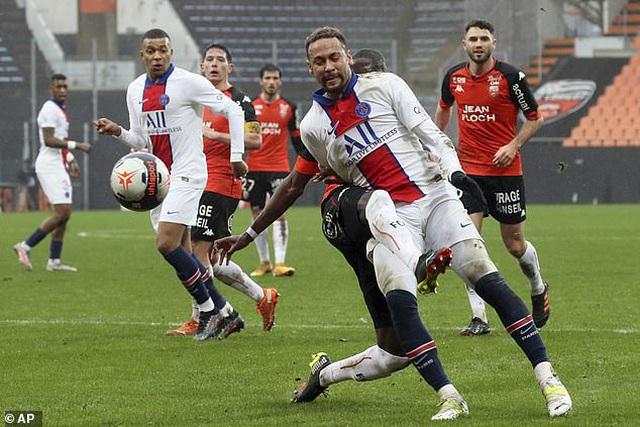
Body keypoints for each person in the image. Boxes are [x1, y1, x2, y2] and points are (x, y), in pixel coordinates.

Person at [214, 28, 572, 419]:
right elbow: (298, 183)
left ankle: (550, 380)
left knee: (486, 277)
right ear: (309, 67)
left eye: (334, 57)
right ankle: (449, 396)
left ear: (347, 56)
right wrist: (249, 234)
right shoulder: (315, 125)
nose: (329, 67)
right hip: (387, 219)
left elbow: (432, 135)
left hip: (435, 198)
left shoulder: (385, 85)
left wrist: (455, 176)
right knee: (400, 315)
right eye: (320, 61)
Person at [93, 28, 246, 342]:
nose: (157, 56)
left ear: (171, 52)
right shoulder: (135, 89)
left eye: (163, 50)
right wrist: (117, 131)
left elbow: (232, 109)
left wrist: (236, 155)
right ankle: (226, 312)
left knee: (166, 244)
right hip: (160, 182)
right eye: (151, 51)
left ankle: (208, 311)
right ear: (142, 55)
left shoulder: (188, 82)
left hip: (188, 174)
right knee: (186, 252)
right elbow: (140, 139)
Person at [434, 20, 550, 337]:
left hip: (505, 173)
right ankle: (479, 317)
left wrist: (514, 145)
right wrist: (436, 143)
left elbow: (536, 118)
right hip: (467, 172)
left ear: (493, 44)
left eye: (484, 38)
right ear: (464, 44)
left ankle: (538, 287)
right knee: (467, 245)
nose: (479, 43)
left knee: (514, 245)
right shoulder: (454, 77)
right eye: (473, 39)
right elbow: (443, 109)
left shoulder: (511, 77)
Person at [166, 43, 280, 338]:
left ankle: (203, 317)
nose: (214, 64)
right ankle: (262, 296)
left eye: (220, 60)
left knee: (198, 252)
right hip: (193, 182)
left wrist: (215, 134)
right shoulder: (195, 98)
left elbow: (255, 142)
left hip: (220, 182)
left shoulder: (239, 100)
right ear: (201, 67)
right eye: (209, 60)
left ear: (230, 67)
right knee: (209, 258)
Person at [14, 73, 92, 272]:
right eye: (59, 87)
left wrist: (70, 159)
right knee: (62, 212)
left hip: (59, 163)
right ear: (51, 88)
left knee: (65, 215)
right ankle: (25, 246)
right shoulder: (49, 109)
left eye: (65, 86)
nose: (63, 90)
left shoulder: (60, 109)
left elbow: (58, 140)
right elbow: (48, 140)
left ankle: (54, 261)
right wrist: (78, 146)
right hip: (49, 166)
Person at [245, 64, 302, 277]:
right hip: (255, 168)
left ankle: (280, 263)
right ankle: (264, 262)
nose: (271, 81)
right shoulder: (250, 106)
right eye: (267, 77)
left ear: (280, 81)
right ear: (261, 81)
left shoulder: (289, 107)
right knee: (257, 214)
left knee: (280, 213)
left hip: (279, 167)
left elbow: (296, 139)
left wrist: (307, 162)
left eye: (275, 78)